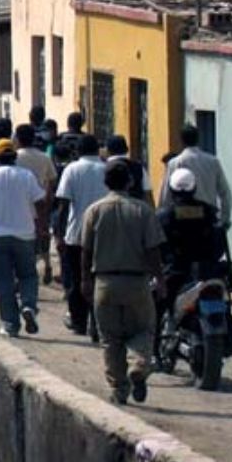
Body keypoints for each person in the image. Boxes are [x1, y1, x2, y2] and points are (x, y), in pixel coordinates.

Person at [80, 159, 166, 405]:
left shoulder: (94, 211)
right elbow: (153, 251)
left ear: (105, 183)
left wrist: (85, 280)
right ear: (130, 181)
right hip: (136, 282)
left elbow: (85, 251)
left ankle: (119, 388)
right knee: (144, 329)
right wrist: (159, 278)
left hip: (104, 283)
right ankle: (138, 365)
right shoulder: (142, 211)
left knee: (111, 339)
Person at [0, 139, 46, 337]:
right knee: (28, 275)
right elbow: (40, 202)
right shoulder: (27, 176)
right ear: (14, 157)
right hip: (24, 235)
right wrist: (42, 228)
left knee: (3, 281)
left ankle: (10, 324)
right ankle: (29, 305)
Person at [156, 167, 230, 320]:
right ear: (194, 187)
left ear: (171, 189)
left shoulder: (163, 216)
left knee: (157, 308)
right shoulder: (210, 212)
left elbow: (158, 245)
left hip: (176, 273)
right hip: (208, 271)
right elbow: (220, 242)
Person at [53, 134, 108, 336]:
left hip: (76, 234)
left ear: (78, 151)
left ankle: (79, 321)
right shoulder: (106, 169)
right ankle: (97, 320)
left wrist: (58, 234)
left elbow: (63, 205)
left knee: (76, 280)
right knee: (99, 279)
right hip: (103, 234)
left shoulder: (72, 169)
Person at [163, 123, 232, 225]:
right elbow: (225, 193)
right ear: (197, 139)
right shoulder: (213, 162)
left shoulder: (175, 163)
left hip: (181, 221)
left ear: (182, 141)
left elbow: (166, 197)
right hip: (208, 220)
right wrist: (224, 219)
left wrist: (164, 220)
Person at [15, 124, 58, 285]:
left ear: (17, 139)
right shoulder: (44, 157)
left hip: (20, 206)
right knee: (43, 236)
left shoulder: (15, 157)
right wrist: (47, 199)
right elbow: (52, 180)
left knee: (24, 241)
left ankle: (25, 273)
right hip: (40, 205)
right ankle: (47, 265)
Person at [105, 134, 149, 202]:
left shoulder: (104, 167)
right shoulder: (139, 167)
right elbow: (147, 193)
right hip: (135, 209)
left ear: (107, 151)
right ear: (127, 149)